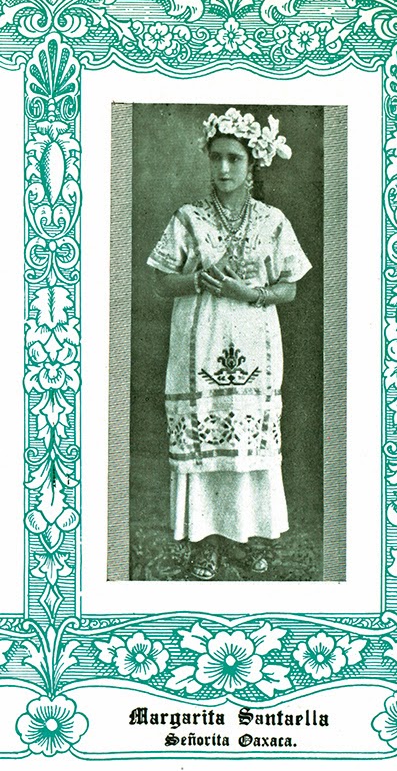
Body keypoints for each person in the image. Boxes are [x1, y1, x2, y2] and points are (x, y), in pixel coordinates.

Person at [147, 107, 312, 580]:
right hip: (200, 340)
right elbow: (161, 281)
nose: (223, 168)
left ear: (252, 162)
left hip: (255, 342)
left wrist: (250, 293)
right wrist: (198, 278)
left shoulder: (273, 221)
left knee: (250, 440)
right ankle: (206, 542)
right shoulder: (188, 218)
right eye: (216, 157)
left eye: (234, 159)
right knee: (205, 435)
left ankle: (253, 536)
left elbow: (290, 287)